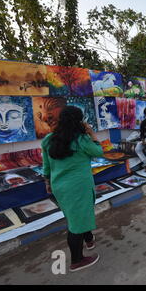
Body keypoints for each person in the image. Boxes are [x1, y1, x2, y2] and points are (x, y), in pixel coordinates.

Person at [42, 106, 103, 272]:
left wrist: (47, 183)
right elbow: (99, 151)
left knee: (75, 214)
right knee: (75, 223)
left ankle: (89, 239)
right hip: (79, 186)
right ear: (79, 121)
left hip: (59, 187)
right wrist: (92, 134)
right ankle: (77, 260)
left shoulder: (48, 139)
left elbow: (46, 167)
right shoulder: (82, 140)